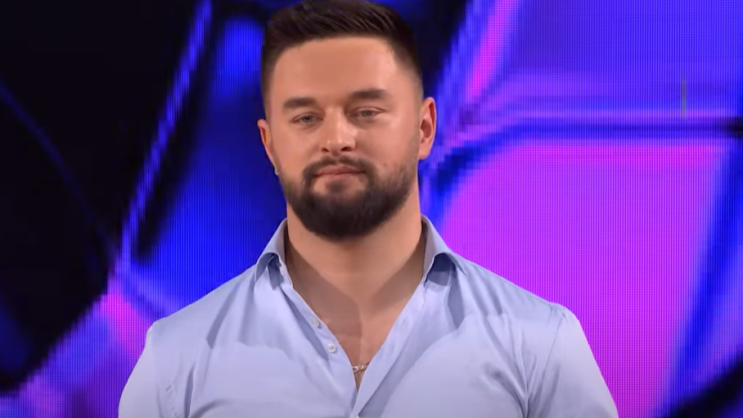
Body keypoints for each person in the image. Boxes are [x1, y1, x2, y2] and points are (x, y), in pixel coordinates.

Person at [119, 0, 618, 417]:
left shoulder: (540, 348)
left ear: (424, 128)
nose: (337, 139)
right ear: (270, 143)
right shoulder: (174, 360)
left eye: (366, 112)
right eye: (306, 117)